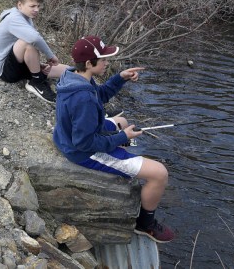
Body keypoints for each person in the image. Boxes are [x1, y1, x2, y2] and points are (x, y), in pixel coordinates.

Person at [52, 35, 175, 243]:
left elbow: (98, 95)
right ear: (90, 63)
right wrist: (120, 138)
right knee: (160, 174)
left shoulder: (74, 76)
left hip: (68, 136)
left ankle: (127, 152)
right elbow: (84, 143)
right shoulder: (82, 98)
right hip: (83, 152)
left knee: (123, 120)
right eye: (104, 60)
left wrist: (120, 78)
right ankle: (145, 224)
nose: (107, 63)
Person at [0, 0, 69, 103]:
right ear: (20, 5)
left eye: (38, 6)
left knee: (70, 71)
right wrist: (50, 56)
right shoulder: (14, 19)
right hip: (5, 71)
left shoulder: (26, 16)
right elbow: (34, 38)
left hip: (18, 63)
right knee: (27, 43)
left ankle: (91, 91)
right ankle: (36, 82)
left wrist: (37, 64)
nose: (37, 9)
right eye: (32, 6)